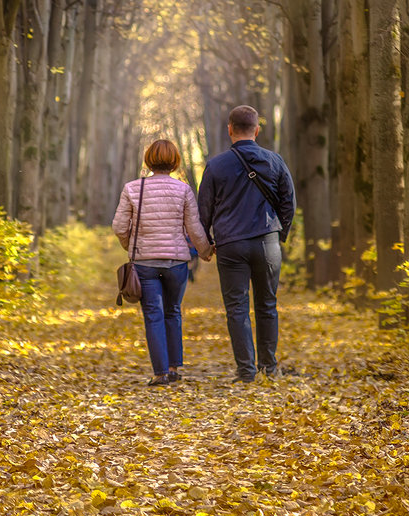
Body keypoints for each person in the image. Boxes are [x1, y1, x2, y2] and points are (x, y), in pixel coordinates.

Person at [197, 105, 295, 383]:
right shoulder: (274, 161)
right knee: (267, 304)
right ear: (257, 130)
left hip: (230, 245)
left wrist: (205, 245)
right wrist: (280, 234)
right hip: (267, 241)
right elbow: (289, 203)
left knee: (237, 308)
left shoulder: (216, 165)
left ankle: (246, 371)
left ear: (229, 129)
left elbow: (204, 210)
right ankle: (269, 367)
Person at [113, 139, 213, 387]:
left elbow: (118, 226)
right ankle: (174, 367)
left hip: (144, 263)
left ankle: (160, 373)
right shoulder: (184, 190)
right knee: (173, 311)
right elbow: (194, 228)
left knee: (153, 314)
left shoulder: (133, 189)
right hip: (176, 262)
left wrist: (130, 246)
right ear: (175, 161)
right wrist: (204, 251)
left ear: (148, 160)